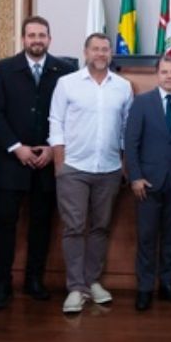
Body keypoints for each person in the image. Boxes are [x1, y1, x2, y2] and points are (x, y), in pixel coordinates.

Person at [0, 16, 77, 310]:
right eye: (31, 35)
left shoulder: (66, 70)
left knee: (41, 224)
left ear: (50, 39)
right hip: (12, 162)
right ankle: (2, 283)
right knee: (5, 224)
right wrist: (16, 147)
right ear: (23, 39)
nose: (37, 40)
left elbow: (73, 115)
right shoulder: (3, 69)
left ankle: (34, 279)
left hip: (48, 161)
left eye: (42, 35)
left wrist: (53, 147)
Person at [48, 32, 133, 314]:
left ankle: (92, 281)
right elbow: (56, 121)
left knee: (100, 228)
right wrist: (60, 162)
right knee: (74, 227)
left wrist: (122, 162)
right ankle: (75, 288)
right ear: (85, 53)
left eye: (105, 50)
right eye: (95, 49)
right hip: (74, 168)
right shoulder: (67, 84)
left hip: (108, 169)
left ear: (111, 54)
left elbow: (125, 128)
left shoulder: (123, 87)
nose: (100, 54)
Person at [124, 55, 171, 312]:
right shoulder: (142, 103)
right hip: (147, 184)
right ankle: (144, 288)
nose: (169, 76)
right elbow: (130, 144)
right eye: (164, 72)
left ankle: (167, 284)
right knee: (146, 239)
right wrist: (134, 176)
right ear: (157, 75)